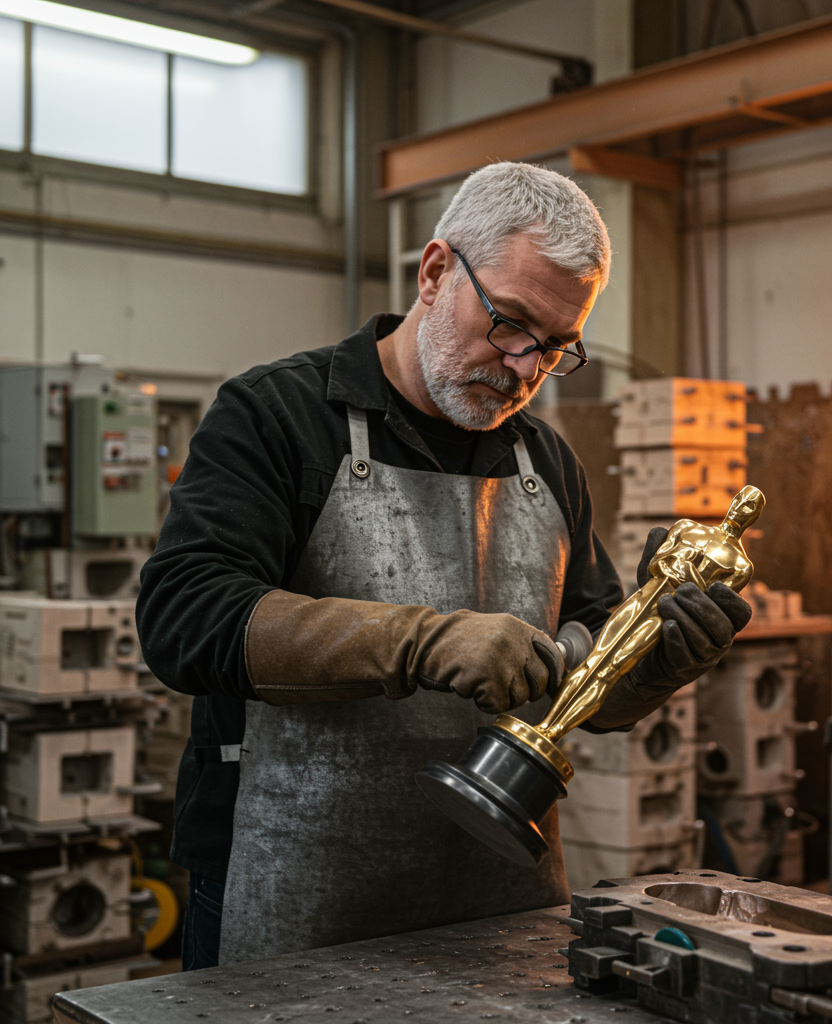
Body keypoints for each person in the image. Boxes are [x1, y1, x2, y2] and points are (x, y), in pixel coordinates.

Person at [137, 162, 751, 970]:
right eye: (510, 325)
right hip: (296, 903)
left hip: (501, 911)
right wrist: (418, 642)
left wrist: (657, 658)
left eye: (557, 349)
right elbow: (186, 616)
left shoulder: (548, 462)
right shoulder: (279, 417)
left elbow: (590, 683)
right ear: (434, 273)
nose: (527, 369)